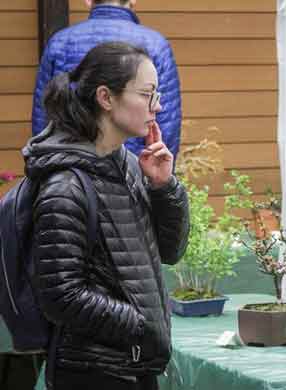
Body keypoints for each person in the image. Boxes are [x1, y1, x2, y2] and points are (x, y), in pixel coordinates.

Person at [24, 41, 189, 390]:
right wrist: (138, 323)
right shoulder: (65, 186)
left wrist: (164, 187)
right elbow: (60, 296)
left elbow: (171, 251)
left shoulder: (127, 165)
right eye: (147, 94)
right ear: (106, 97)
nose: (156, 107)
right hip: (92, 373)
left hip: (134, 364)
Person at [31, 0, 182, 159]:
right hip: (135, 170)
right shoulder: (155, 44)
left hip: (69, 164)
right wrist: (154, 177)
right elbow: (167, 124)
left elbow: (43, 118)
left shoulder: (59, 43)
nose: (156, 106)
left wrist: (50, 169)